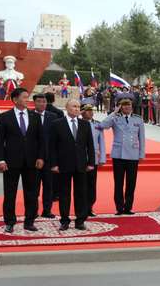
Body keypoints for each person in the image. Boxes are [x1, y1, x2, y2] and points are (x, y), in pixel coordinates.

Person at [0, 87, 44, 233]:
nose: (27, 100)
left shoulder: (35, 117)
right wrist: (0, 160)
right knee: (10, 193)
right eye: (24, 97)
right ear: (15, 100)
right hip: (11, 162)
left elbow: (41, 140)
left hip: (31, 162)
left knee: (32, 193)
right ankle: (10, 221)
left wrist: (41, 157)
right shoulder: (5, 117)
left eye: (27, 97)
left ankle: (30, 221)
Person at [48, 100, 95, 231]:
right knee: (64, 194)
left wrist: (91, 162)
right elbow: (52, 146)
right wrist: (53, 164)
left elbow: (90, 145)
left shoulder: (85, 124)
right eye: (74, 106)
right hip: (63, 164)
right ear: (67, 108)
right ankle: (64, 220)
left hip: (81, 165)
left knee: (81, 193)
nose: (76, 109)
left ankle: (80, 220)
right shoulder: (57, 124)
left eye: (78, 107)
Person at [97, 98, 146, 215]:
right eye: (124, 105)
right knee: (118, 183)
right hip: (119, 155)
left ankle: (128, 207)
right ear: (120, 107)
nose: (126, 107)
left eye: (128, 105)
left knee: (131, 183)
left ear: (132, 106)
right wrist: (114, 112)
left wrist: (141, 154)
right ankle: (119, 207)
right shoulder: (115, 118)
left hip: (133, 155)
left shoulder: (138, 119)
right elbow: (102, 125)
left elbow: (142, 138)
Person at [31, 93, 59, 218]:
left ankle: (47, 210)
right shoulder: (29, 115)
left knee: (49, 186)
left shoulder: (53, 117)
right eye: (39, 101)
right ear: (34, 103)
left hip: (49, 158)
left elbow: (56, 139)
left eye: (44, 102)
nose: (42, 104)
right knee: (34, 187)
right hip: (33, 158)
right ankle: (33, 211)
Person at [81, 104, 105, 217]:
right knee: (81, 184)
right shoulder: (77, 123)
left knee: (91, 184)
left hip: (93, 159)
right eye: (87, 110)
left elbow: (102, 143)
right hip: (80, 158)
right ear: (82, 112)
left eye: (91, 110)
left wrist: (102, 158)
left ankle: (90, 207)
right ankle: (82, 207)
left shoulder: (97, 125)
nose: (90, 113)